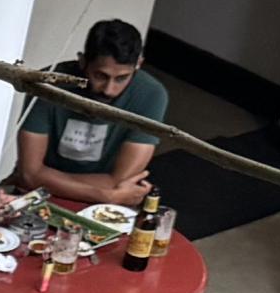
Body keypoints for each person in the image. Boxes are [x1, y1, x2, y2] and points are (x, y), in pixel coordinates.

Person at [13, 20, 167, 208]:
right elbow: (29, 173)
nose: (109, 90)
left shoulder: (151, 95)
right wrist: (106, 194)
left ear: (138, 65)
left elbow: (121, 180)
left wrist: (45, 177)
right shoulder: (48, 82)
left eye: (121, 78)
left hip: (98, 205)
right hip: (38, 196)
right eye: (100, 76)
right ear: (83, 61)